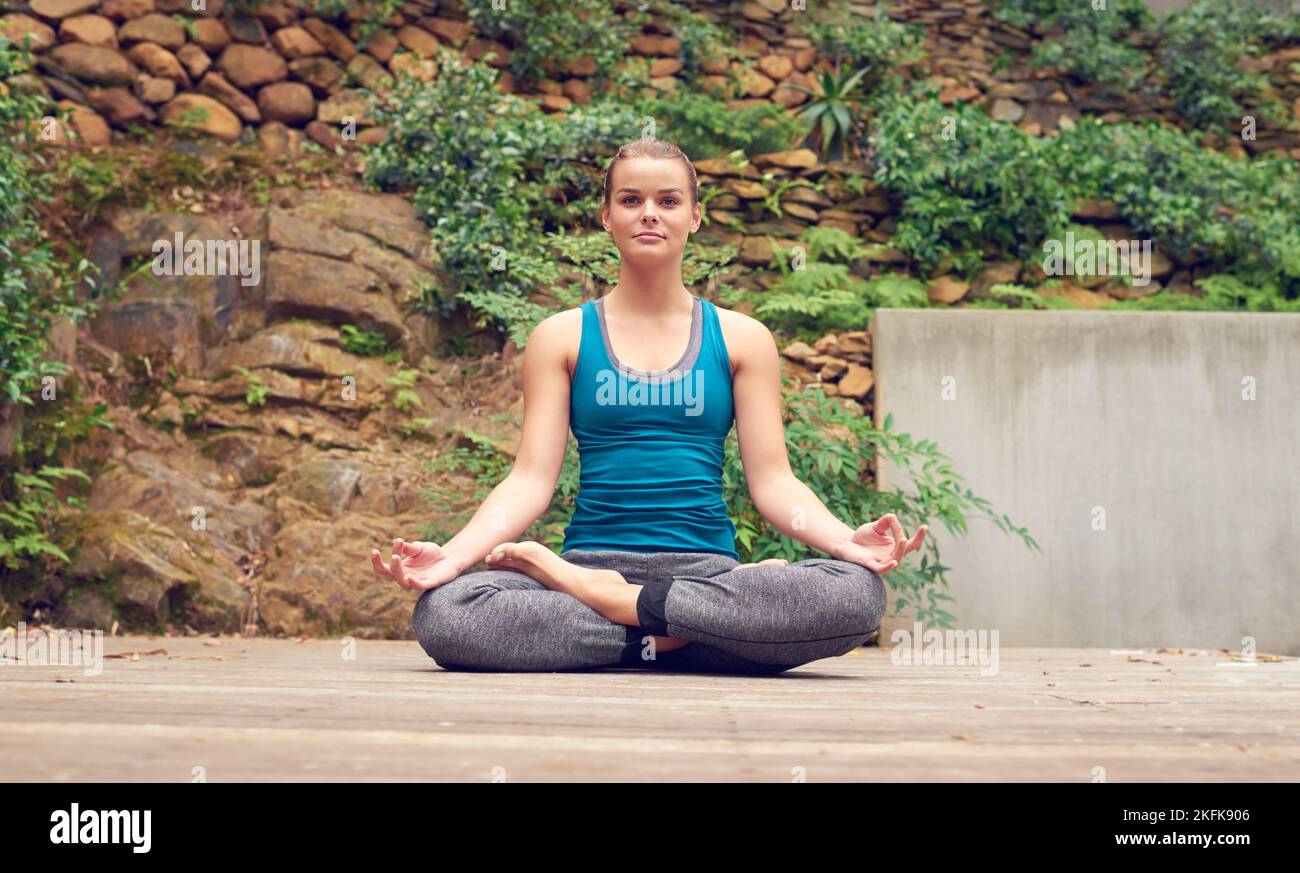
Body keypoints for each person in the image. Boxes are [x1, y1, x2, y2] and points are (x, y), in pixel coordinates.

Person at [370, 138, 926, 674]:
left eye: (668, 201)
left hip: (704, 575)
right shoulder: (561, 337)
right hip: (589, 569)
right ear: (606, 216)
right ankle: (682, 636)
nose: (649, 214)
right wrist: (455, 555)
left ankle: (636, 620)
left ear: (695, 216)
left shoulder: (741, 338)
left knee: (855, 593)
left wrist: (842, 540)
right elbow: (530, 481)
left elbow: (774, 481)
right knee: (447, 613)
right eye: (631, 200)